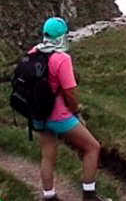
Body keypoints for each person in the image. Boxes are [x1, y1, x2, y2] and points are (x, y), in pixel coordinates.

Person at [31, 17, 105, 201]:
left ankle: (49, 196)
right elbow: (69, 93)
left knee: (47, 155)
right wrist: (75, 111)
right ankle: (89, 195)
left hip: (38, 114)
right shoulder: (62, 58)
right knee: (92, 147)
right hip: (59, 116)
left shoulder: (32, 52)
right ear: (63, 36)